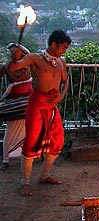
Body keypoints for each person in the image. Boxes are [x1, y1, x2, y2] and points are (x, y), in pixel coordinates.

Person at [7, 30, 72, 196]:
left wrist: (60, 96)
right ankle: (25, 182)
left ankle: (44, 175)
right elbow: (13, 68)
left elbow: (65, 81)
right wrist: (15, 58)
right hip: (36, 104)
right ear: (53, 44)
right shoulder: (35, 59)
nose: (64, 51)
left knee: (58, 140)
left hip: (51, 106)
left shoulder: (61, 62)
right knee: (31, 141)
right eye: (63, 47)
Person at [0, 43, 33, 170]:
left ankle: (32, 155)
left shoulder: (28, 63)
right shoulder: (6, 66)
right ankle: (6, 159)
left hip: (28, 103)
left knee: (31, 130)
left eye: (18, 52)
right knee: (9, 133)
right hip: (13, 105)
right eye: (14, 52)